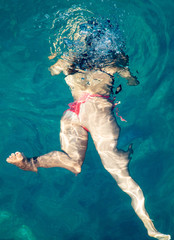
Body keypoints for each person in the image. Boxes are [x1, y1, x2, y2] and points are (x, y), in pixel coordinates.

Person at [6, 19, 171, 240]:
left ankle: (31, 163)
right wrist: (125, 73)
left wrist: (57, 57)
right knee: (118, 170)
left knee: (75, 163)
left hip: (73, 114)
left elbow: (52, 70)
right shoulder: (112, 63)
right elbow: (132, 81)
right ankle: (148, 223)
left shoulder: (69, 61)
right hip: (98, 116)